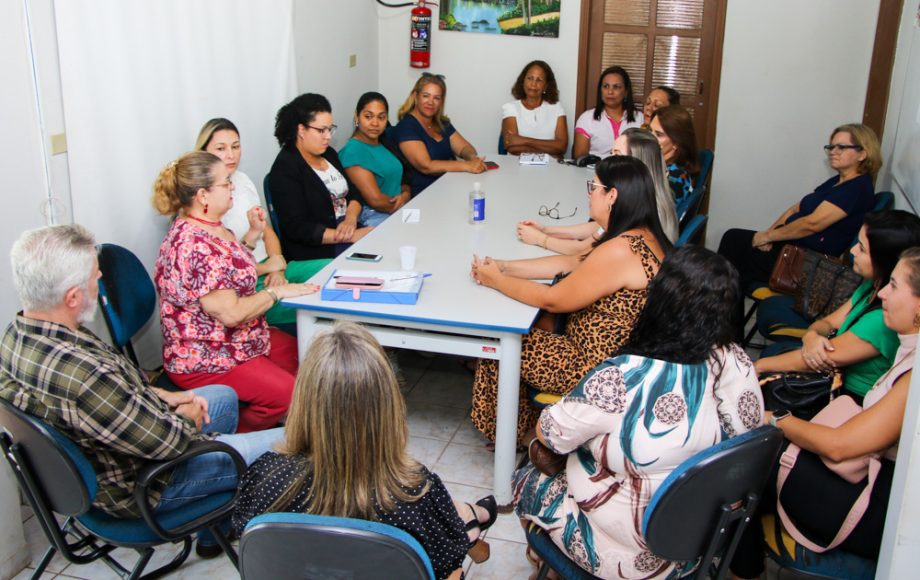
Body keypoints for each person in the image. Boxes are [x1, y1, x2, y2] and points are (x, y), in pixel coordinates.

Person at [0, 224, 284, 559]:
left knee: (220, 395)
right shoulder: (85, 376)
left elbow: (117, 391)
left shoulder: (18, 335)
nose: (101, 276)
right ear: (72, 297)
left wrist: (167, 397)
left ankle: (216, 526)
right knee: (292, 439)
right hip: (148, 486)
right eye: (94, 274)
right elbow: (170, 442)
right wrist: (188, 420)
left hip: (118, 452)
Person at [515, 246, 764, 578]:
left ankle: (550, 566)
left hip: (628, 554)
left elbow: (552, 432)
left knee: (526, 474)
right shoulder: (737, 362)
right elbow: (749, 434)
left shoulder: (624, 376)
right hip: (701, 539)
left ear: (658, 303)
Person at [231, 322, 497, 580]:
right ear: (388, 405)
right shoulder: (413, 491)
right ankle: (473, 516)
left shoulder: (263, 476)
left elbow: (248, 538)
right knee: (455, 527)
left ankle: (472, 515)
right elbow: (445, 567)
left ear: (305, 399)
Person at [731, 247, 920, 579]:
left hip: (874, 507)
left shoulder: (913, 376)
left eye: (893, 285)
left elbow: (838, 446)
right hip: (867, 478)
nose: (884, 293)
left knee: (751, 460)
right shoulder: (909, 355)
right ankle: (742, 561)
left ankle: (741, 567)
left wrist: (777, 419)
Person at [469, 156, 670, 443]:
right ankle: (529, 429)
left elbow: (553, 299)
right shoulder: (639, 235)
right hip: (615, 357)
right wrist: (503, 266)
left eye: (594, 187)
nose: (589, 193)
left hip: (597, 368)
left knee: (501, 343)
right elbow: (572, 261)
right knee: (529, 327)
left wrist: (497, 281)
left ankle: (521, 438)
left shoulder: (622, 249)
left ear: (612, 196)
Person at [152, 151, 319, 432]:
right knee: (288, 392)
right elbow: (232, 314)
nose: (232, 187)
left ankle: (289, 425)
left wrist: (252, 235)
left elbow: (230, 270)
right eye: (226, 182)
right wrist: (278, 293)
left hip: (239, 339)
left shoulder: (213, 227)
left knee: (309, 357)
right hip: (206, 355)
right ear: (203, 195)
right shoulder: (194, 245)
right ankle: (233, 439)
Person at [755, 210, 920, 402]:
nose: (852, 251)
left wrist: (759, 365)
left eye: (862, 249)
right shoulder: (873, 284)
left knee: (766, 381)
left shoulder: (882, 318)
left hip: (842, 395)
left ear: (884, 259)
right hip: (830, 377)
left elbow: (821, 358)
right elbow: (829, 322)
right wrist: (811, 336)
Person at [195, 118, 330, 326]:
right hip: (246, 286)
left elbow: (266, 230)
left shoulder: (242, 180)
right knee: (318, 300)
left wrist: (277, 264)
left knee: (333, 271)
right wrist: (268, 268)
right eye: (221, 148)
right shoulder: (206, 201)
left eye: (236, 146)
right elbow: (227, 272)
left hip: (271, 268)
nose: (231, 155)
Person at [718, 123, 880, 296]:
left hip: (806, 264)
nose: (833, 151)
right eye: (831, 146)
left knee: (733, 255)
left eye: (841, 147)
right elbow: (795, 209)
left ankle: (717, 307)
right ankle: (722, 307)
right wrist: (769, 235)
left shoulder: (857, 188)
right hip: (789, 249)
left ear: (863, 153)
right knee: (734, 244)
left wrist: (767, 236)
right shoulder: (837, 182)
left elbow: (812, 224)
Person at [515, 128, 679, 254]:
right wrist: (546, 230)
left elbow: (582, 250)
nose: (610, 161)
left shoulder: (640, 210)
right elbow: (598, 228)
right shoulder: (650, 194)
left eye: (618, 155)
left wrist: (540, 239)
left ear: (636, 163)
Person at [268, 93, 372, 261]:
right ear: (301, 130)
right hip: (317, 251)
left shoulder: (328, 154)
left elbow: (354, 193)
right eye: (321, 130)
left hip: (347, 232)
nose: (328, 136)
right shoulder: (285, 169)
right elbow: (298, 229)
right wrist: (348, 236)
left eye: (330, 129)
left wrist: (351, 219)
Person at [394, 73, 487, 195]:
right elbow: (426, 166)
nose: (431, 102)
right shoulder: (406, 126)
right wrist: (467, 166)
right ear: (415, 96)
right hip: (423, 194)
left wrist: (472, 158)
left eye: (436, 98)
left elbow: (464, 147)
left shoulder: (442, 123)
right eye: (426, 96)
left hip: (448, 187)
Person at [339, 92, 412, 227]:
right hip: (374, 217)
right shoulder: (352, 151)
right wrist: (403, 201)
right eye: (368, 116)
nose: (375, 123)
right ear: (357, 116)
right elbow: (375, 200)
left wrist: (406, 194)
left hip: (396, 210)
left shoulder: (383, 143)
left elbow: (401, 179)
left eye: (381, 117)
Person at [573, 66, 643, 159]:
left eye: (616, 87)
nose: (610, 92)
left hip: (630, 171)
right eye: (606, 86)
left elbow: (645, 154)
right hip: (595, 171)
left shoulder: (640, 118)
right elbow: (580, 158)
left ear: (626, 91)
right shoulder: (587, 118)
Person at [500, 60, 568, 158]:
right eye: (530, 78)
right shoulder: (510, 108)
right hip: (516, 168)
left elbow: (562, 147)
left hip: (550, 169)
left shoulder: (557, 108)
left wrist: (523, 140)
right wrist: (550, 149)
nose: (533, 84)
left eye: (539, 80)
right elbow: (512, 147)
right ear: (523, 81)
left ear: (546, 86)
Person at [648, 105, 699, 208]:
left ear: (676, 142)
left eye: (659, 134)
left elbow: (653, 217)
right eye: (650, 130)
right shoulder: (659, 166)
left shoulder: (676, 178)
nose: (650, 137)